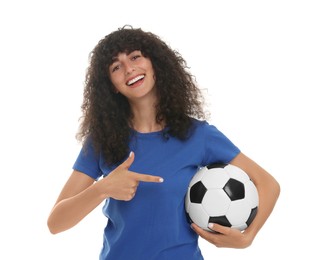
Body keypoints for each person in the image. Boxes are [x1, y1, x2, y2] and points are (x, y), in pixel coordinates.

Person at [47, 25, 280, 259]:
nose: (129, 69)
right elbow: (55, 223)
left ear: (155, 63)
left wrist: (248, 237)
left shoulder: (198, 135)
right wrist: (103, 188)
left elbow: (268, 184)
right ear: (111, 86)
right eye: (116, 67)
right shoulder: (102, 140)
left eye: (135, 56)